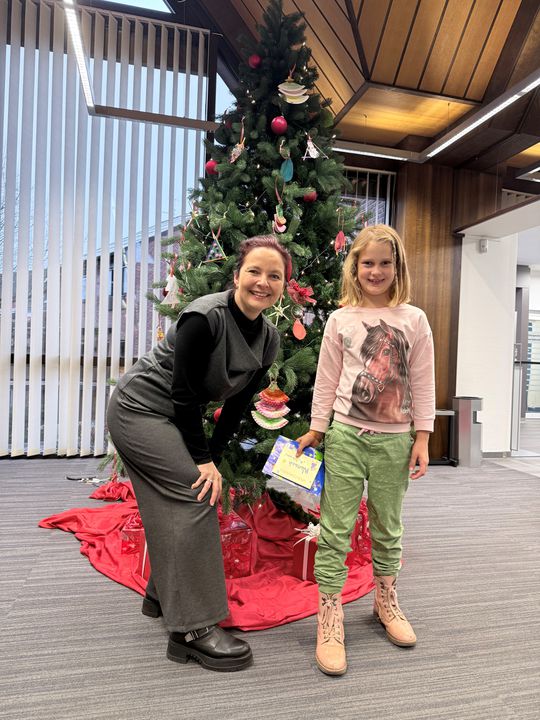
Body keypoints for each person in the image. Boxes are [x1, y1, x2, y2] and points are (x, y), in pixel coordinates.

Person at [107, 235, 292, 672]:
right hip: (138, 409)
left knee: (188, 494)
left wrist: (214, 454)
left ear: (284, 286)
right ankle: (192, 631)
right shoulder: (203, 317)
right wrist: (202, 463)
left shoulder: (268, 339)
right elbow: (185, 395)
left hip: (170, 416)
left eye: (274, 276)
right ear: (237, 275)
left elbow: (238, 404)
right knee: (196, 495)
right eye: (254, 271)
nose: (263, 282)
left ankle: (161, 595)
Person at [296, 224, 435, 676]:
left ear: (398, 267)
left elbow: (423, 380)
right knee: (335, 528)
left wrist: (422, 436)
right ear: (355, 266)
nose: (376, 271)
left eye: (385, 263)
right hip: (346, 438)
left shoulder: (414, 319)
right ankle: (329, 612)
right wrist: (317, 430)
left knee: (388, 525)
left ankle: (385, 599)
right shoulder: (341, 319)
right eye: (367, 262)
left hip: (395, 440)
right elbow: (327, 378)